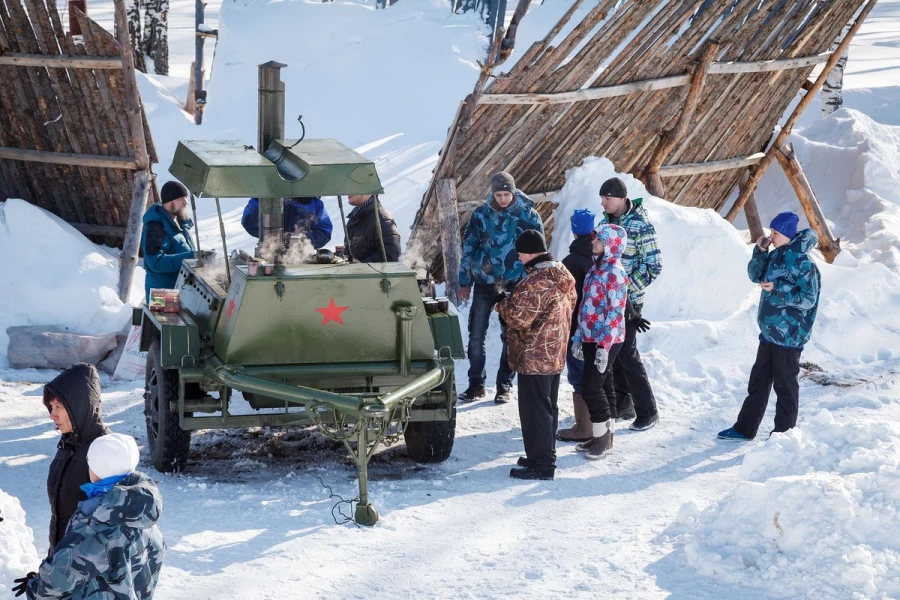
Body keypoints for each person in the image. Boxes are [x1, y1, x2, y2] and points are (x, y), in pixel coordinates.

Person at [14, 433, 165, 599]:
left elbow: (53, 583)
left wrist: (34, 585)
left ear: (96, 467)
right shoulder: (143, 509)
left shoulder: (96, 525)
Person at [719, 212, 821, 441]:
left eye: (775, 233)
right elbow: (755, 275)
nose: (770, 236)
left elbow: (808, 299)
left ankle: (783, 435)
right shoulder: (776, 255)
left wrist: (778, 288)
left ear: (787, 233)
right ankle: (744, 429)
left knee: (785, 385)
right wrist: (761, 251)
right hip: (769, 332)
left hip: (789, 334)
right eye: (771, 231)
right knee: (758, 382)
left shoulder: (803, 263)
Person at [458, 171, 544, 404]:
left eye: (507, 194)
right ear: (493, 193)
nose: (504, 199)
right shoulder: (481, 215)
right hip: (486, 281)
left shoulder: (528, 214)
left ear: (514, 192)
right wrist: (464, 281)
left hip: (516, 282)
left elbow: (539, 251)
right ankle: (476, 384)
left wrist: (536, 281)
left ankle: (504, 385)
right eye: (499, 194)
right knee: (476, 335)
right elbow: (469, 248)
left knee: (512, 335)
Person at [496, 230, 576, 480]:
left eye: (520, 253)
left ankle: (541, 464)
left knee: (534, 411)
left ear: (531, 252)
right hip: (554, 352)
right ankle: (542, 454)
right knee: (547, 407)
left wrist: (501, 303)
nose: (519, 258)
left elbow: (519, 318)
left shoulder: (536, 281)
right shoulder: (562, 274)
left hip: (534, 355)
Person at [600, 177, 662, 431]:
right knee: (614, 354)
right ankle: (623, 403)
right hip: (607, 299)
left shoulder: (641, 225)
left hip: (629, 302)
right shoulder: (606, 221)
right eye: (602, 198)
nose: (603, 203)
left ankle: (648, 410)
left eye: (608, 198)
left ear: (622, 199)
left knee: (627, 353)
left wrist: (623, 288)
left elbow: (653, 266)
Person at [571, 224, 630, 459]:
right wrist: (578, 338)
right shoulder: (596, 269)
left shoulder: (615, 272)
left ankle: (603, 440)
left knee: (591, 387)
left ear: (611, 244)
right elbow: (585, 306)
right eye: (594, 238)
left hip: (606, 339)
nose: (592, 242)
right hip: (589, 336)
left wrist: (604, 347)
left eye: (598, 239)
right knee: (604, 385)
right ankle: (601, 436)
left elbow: (615, 314)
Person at [42, 363, 110, 555]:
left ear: (79, 406)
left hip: (87, 567)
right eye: (51, 406)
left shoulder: (104, 450)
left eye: (59, 406)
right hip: (64, 562)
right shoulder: (68, 444)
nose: (52, 414)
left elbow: (112, 524)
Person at [557, 208, 597, 443]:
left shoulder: (570, 261)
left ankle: (584, 427)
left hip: (578, 328)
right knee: (595, 374)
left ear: (573, 231)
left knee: (579, 375)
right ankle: (597, 422)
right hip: (599, 326)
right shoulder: (600, 254)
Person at [141, 181, 197, 302]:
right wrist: (191, 257)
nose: (185, 202)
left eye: (186, 198)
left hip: (180, 291)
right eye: (181, 198)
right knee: (167, 322)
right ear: (169, 201)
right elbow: (155, 262)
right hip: (160, 295)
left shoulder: (181, 224)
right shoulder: (156, 226)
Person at [240, 196, 333, 249]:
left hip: (302, 258)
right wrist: (270, 237)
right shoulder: (263, 197)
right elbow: (248, 223)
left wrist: (302, 239)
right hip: (268, 253)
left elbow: (324, 233)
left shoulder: (313, 203)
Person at [344, 194, 402, 262]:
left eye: (354, 186)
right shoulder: (354, 218)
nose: (348, 192)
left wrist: (359, 268)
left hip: (370, 272)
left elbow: (390, 256)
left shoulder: (382, 220)